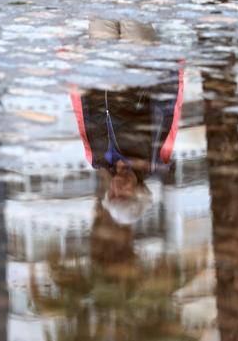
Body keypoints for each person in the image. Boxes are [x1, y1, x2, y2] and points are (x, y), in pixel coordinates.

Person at [70, 18, 184, 225]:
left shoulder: (98, 158)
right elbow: (169, 111)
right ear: (139, 193)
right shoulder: (155, 157)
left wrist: (74, 74)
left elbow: (83, 115)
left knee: (101, 3)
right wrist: (174, 69)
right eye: (122, 195)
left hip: (100, 66)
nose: (116, 189)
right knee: (132, 5)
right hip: (139, 64)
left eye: (112, 194)